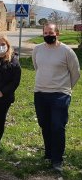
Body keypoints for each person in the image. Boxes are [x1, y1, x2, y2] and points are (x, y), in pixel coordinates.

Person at [32, 23, 80, 172]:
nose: (48, 35)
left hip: (60, 95)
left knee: (58, 126)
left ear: (57, 33)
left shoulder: (66, 51)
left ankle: (57, 160)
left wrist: (65, 89)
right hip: (40, 93)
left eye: (50, 33)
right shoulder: (37, 49)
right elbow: (36, 67)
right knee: (44, 124)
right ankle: (49, 153)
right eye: (45, 33)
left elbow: (75, 72)